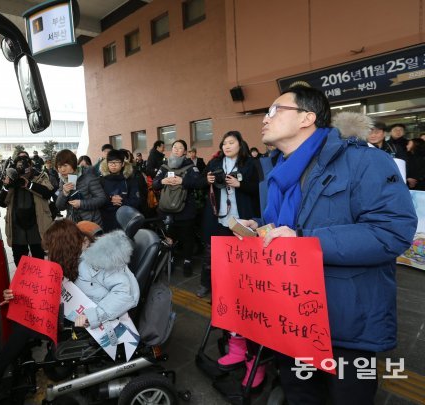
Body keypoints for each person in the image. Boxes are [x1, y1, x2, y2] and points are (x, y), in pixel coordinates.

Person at [237, 85, 416, 404]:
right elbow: (285, 228)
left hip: (346, 321)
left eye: (275, 110)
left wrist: (305, 240)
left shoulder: (364, 162)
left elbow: (392, 231)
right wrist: (260, 230)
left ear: (307, 117)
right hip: (291, 317)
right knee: (300, 394)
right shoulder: (278, 173)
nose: (265, 118)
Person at [0, 220, 138, 402]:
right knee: (22, 316)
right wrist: (18, 295)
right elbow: (50, 290)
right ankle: (13, 367)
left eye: (49, 252)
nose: (47, 256)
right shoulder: (75, 255)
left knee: (24, 327)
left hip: (96, 319)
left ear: (62, 247)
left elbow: (126, 295)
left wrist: (92, 316)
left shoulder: (99, 261)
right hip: (76, 311)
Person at [198, 131, 259, 298]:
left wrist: (240, 184)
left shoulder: (249, 164)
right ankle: (206, 284)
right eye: (224, 143)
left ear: (240, 144)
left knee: (239, 256)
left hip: (240, 219)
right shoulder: (215, 162)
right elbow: (197, 182)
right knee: (212, 255)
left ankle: (236, 288)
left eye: (231, 142)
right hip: (218, 218)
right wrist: (207, 180)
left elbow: (258, 189)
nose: (227, 146)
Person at [152, 139, 206, 276]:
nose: (176, 149)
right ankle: (170, 258)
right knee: (169, 236)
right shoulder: (164, 166)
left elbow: (199, 182)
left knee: (187, 236)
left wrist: (183, 181)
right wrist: (162, 181)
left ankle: (187, 261)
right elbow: (155, 184)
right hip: (166, 209)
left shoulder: (190, 166)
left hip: (185, 209)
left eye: (180, 148)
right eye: (174, 147)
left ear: (185, 152)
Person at [0, 155, 54, 266]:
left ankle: (38, 283)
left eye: (25, 165)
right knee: (20, 262)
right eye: (19, 166)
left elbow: (48, 193)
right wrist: (7, 186)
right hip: (17, 227)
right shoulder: (13, 179)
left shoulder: (40, 177)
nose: (22, 171)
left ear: (30, 166)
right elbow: (0, 203)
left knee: (39, 261)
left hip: (37, 226)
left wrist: (29, 184)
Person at [56, 149, 106, 225]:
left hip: (91, 223)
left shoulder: (88, 177)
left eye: (65, 165)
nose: (62, 170)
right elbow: (60, 207)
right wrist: (64, 193)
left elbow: (101, 199)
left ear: (73, 164)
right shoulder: (62, 180)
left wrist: (81, 204)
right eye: (59, 167)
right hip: (73, 223)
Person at [98, 149, 140, 232]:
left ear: (123, 164)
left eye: (117, 162)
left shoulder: (129, 180)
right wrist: (110, 199)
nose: (113, 165)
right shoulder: (101, 180)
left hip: (125, 220)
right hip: (106, 220)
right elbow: (97, 199)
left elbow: (137, 201)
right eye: (110, 162)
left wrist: (122, 201)